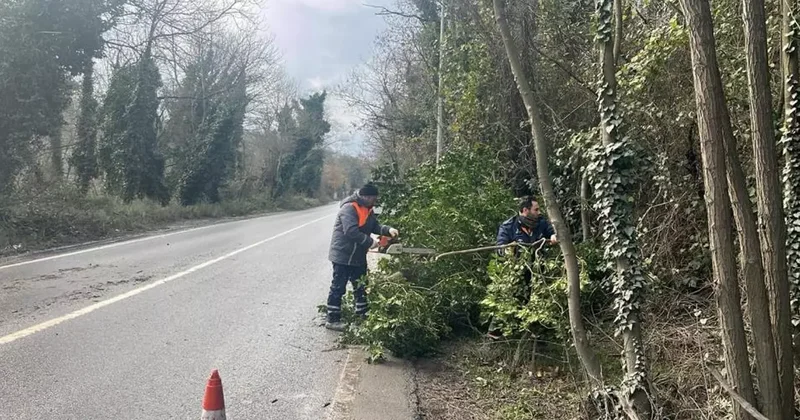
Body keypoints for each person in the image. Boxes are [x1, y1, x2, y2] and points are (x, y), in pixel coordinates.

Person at [325, 182, 398, 331]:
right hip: (343, 254)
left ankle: (362, 314)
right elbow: (350, 231)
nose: (375, 201)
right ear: (366, 196)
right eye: (374, 198)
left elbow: (374, 226)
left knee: (361, 285)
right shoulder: (349, 208)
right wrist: (370, 242)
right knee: (338, 286)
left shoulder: (367, 209)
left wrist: (388, 230)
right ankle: (332, 318)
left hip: (357, 254)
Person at [487, 196, 557, 340]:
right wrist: (508, 249)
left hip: (537, 269)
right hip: (515, 272)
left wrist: (554, 236)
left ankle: (535, 333)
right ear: (525, 210)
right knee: (508, 298)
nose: (539, 212)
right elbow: (499, 249)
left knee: (537, 298)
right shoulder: (508, 226)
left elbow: (551, 232)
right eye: (536, 209)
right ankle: (495, 333)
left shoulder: (541, 223)